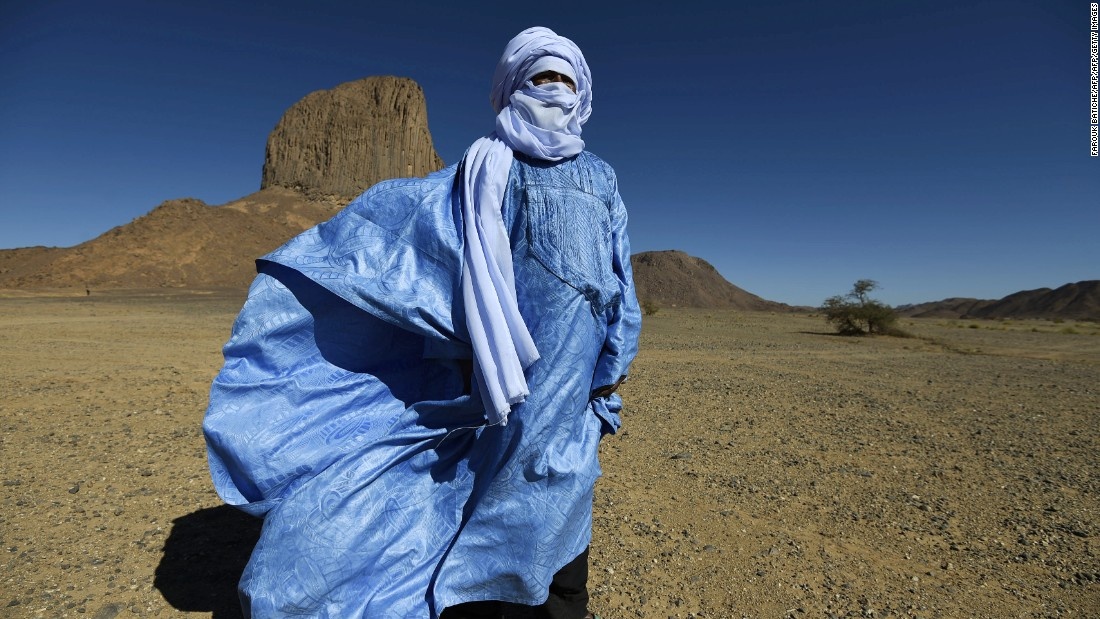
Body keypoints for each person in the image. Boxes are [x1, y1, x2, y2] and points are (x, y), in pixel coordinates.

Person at [203, 26, 640, 618]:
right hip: (502, 385)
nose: (554, 91)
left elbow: (619, 282)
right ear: (514, 88)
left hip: (573, 386)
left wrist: (610, 371)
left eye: (565, 79)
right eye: (541, 77)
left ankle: (560, 602)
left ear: (582, 94)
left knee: (565, 496)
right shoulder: (483, 172)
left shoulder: (601, 177)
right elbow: (422, 241)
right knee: (497, 499)